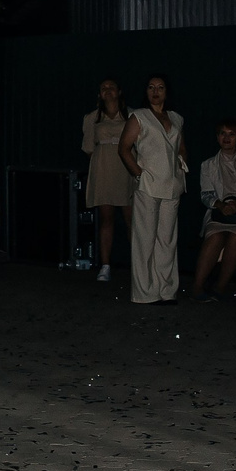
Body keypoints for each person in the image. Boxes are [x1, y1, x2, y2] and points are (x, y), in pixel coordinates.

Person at [120, 75, 186, 303]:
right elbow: (124, 148)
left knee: (167, 241)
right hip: (148, 185)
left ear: (167, 92)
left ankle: (166, 291)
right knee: (145, 240)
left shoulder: (176, 118)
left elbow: (181, 148)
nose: (155, 91)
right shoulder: (139, 117)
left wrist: (180, 168)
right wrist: (139, 173)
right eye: (151, 87)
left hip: (172, 186)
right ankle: (145, 293)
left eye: (160, 87)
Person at [192, 118, 236, 301]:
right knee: (215, 236)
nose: (226, 138)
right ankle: (197, 287)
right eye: (222, 133)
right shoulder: (208, 164)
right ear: (217, 137)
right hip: (218, 214)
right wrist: (221, 205)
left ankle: (220, 287)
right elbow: (205, 194)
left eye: (231, 134)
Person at [81, 79, 131, 283]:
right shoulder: (92, 118)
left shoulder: (133, 115)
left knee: (132, 221)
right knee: (106, 219)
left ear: (119, 91)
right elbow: (88, 148)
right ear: (99, 94)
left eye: (111, 87)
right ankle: (105, 265)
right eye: (103, 88)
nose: (107, 91)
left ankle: (139, 266)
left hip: (126, 171)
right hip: (103, 171)